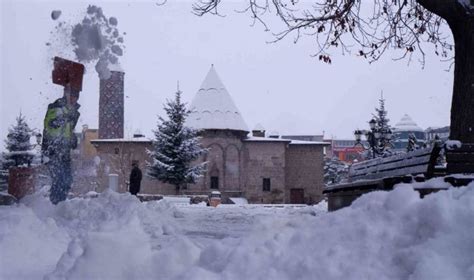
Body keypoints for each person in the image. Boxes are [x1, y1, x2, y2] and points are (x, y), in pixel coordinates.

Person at [42, 57, 84, 204]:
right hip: (53, 151)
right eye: (71, 94)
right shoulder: (56, 107)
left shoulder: (73, 113)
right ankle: (54, 207)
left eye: (76, 96)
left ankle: (58, 207)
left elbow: (68, 131)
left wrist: (73, 140)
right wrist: (62, 120)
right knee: (60, 179)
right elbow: (50, 125)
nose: (73, 98)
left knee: (67, 180)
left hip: (64, 152)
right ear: (65, 93)